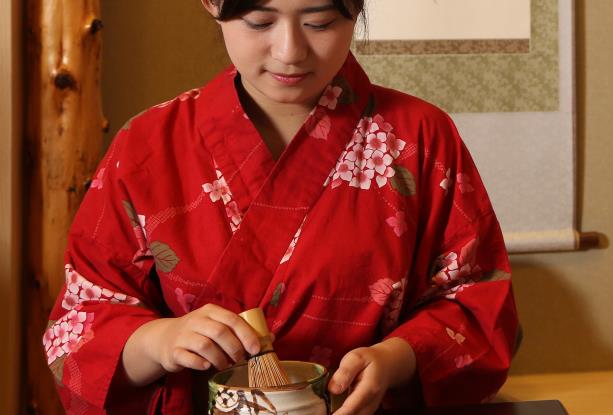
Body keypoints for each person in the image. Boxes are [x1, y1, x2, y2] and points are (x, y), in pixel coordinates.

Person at [43, 1, 518, 413]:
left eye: (319, 22)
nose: (290, 51)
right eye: (259, 22)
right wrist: (159, 342)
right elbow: (82, 321)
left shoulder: (420, 137)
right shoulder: (148, 145)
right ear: (213, 4)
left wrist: (397, 359)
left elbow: (478, 306)